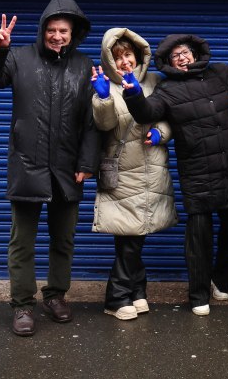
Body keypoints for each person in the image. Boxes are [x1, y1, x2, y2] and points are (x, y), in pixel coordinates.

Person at [121, 31, 228, 315]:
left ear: (195, 53)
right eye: (175, 55)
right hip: (198, 173)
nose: (182, 58)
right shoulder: (167, 90)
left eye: (185, 52)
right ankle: (199, 294)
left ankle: (222, 282)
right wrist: (132, 94)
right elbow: (146, 112)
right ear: (168, 61)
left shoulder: (222, 72)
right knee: (198, 239)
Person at [0, 0, 100, 337]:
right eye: (51, 29)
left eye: (63, 30)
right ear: (42, 29)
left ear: (73, 33)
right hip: (28, 164)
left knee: (64, 240)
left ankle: (56, 296)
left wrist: (87, 163)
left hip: (66, 168)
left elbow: (90, 122)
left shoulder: (83, 65)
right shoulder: (19, 58)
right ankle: (22, 306)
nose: (57, 35)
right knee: (22, 242)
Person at [90, 28, 177, 320]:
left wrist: (160, 133)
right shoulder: (106, 85)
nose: (124, 61)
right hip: (125, 171)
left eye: (128, 54)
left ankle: (137, 291)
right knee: (130, 237)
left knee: (137, 234)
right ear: (109, 61)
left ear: (138, 55)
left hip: (152, 167)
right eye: (117, 57)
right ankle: (115, 298)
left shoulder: (155, 81)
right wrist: (102, 99)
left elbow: (170, 120)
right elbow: (105, 126)